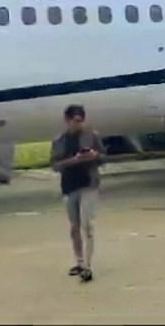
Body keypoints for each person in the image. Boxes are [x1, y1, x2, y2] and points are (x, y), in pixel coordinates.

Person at [50, 105, 106, 283]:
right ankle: (79, 261)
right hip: (69, 185)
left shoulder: (92, 136)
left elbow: (104, 158)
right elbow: (54, 165)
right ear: (67, 121)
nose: (79, 124)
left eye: (81, 121)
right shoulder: (59, 141)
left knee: (87, 224)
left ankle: (88, 266)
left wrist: (95, 155)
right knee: (74, 226)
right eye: (75, 121)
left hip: (89, 184)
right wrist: (73, 160)